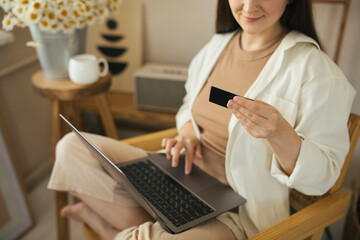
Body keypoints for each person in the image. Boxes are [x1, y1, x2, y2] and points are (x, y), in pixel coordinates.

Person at [48, 0, 356, 239]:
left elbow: (324, 178)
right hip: (179, 173)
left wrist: (280, 135)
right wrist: (187, 134)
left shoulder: (317, 72)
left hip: (234, 211)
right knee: (70, 148)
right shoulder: (218, 46)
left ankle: (104, 224)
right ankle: (138, 225)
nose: (249, 7)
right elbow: (188, 105)